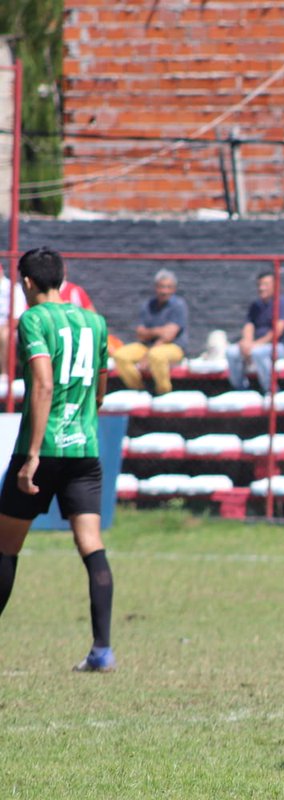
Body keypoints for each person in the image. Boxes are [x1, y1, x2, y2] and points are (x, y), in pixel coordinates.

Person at [0, 247, 114, 673]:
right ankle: (102, 649)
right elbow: (102, 387)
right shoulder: (95, 321)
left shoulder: (32, 320)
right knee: (91, 545)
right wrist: (84, 415)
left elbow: (43, 384)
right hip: (84, 449)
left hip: (42, 449)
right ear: (62, 277)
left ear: (27, 283)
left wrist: (31, 454)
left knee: (6, 546)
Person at [112, 269, 188, 395]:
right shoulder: (148, 305)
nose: (164, 291)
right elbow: (140, 333)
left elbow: (169, 336)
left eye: (168, 287)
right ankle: (140, 390)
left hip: (174, 347)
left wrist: (150, 335)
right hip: (147, 346)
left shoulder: (178, 305)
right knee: (120, 356)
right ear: (156, 287)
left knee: (156, 356)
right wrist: (160, 331)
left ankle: (163, 392)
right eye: (162, 287)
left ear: (173, 289)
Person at [226, 271, 284, 393]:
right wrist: (246, 342)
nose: (261, 288)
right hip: (257, 344)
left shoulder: (281, 303)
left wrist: (255, 345)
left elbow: (277, 331)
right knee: (232, 352)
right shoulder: (256, 305)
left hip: (281, 347)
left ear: (275, 285)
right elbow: (249, 325)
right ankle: (240, 389)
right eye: (259, 284)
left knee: (258, 353)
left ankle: (271, 391)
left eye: (266, 284)